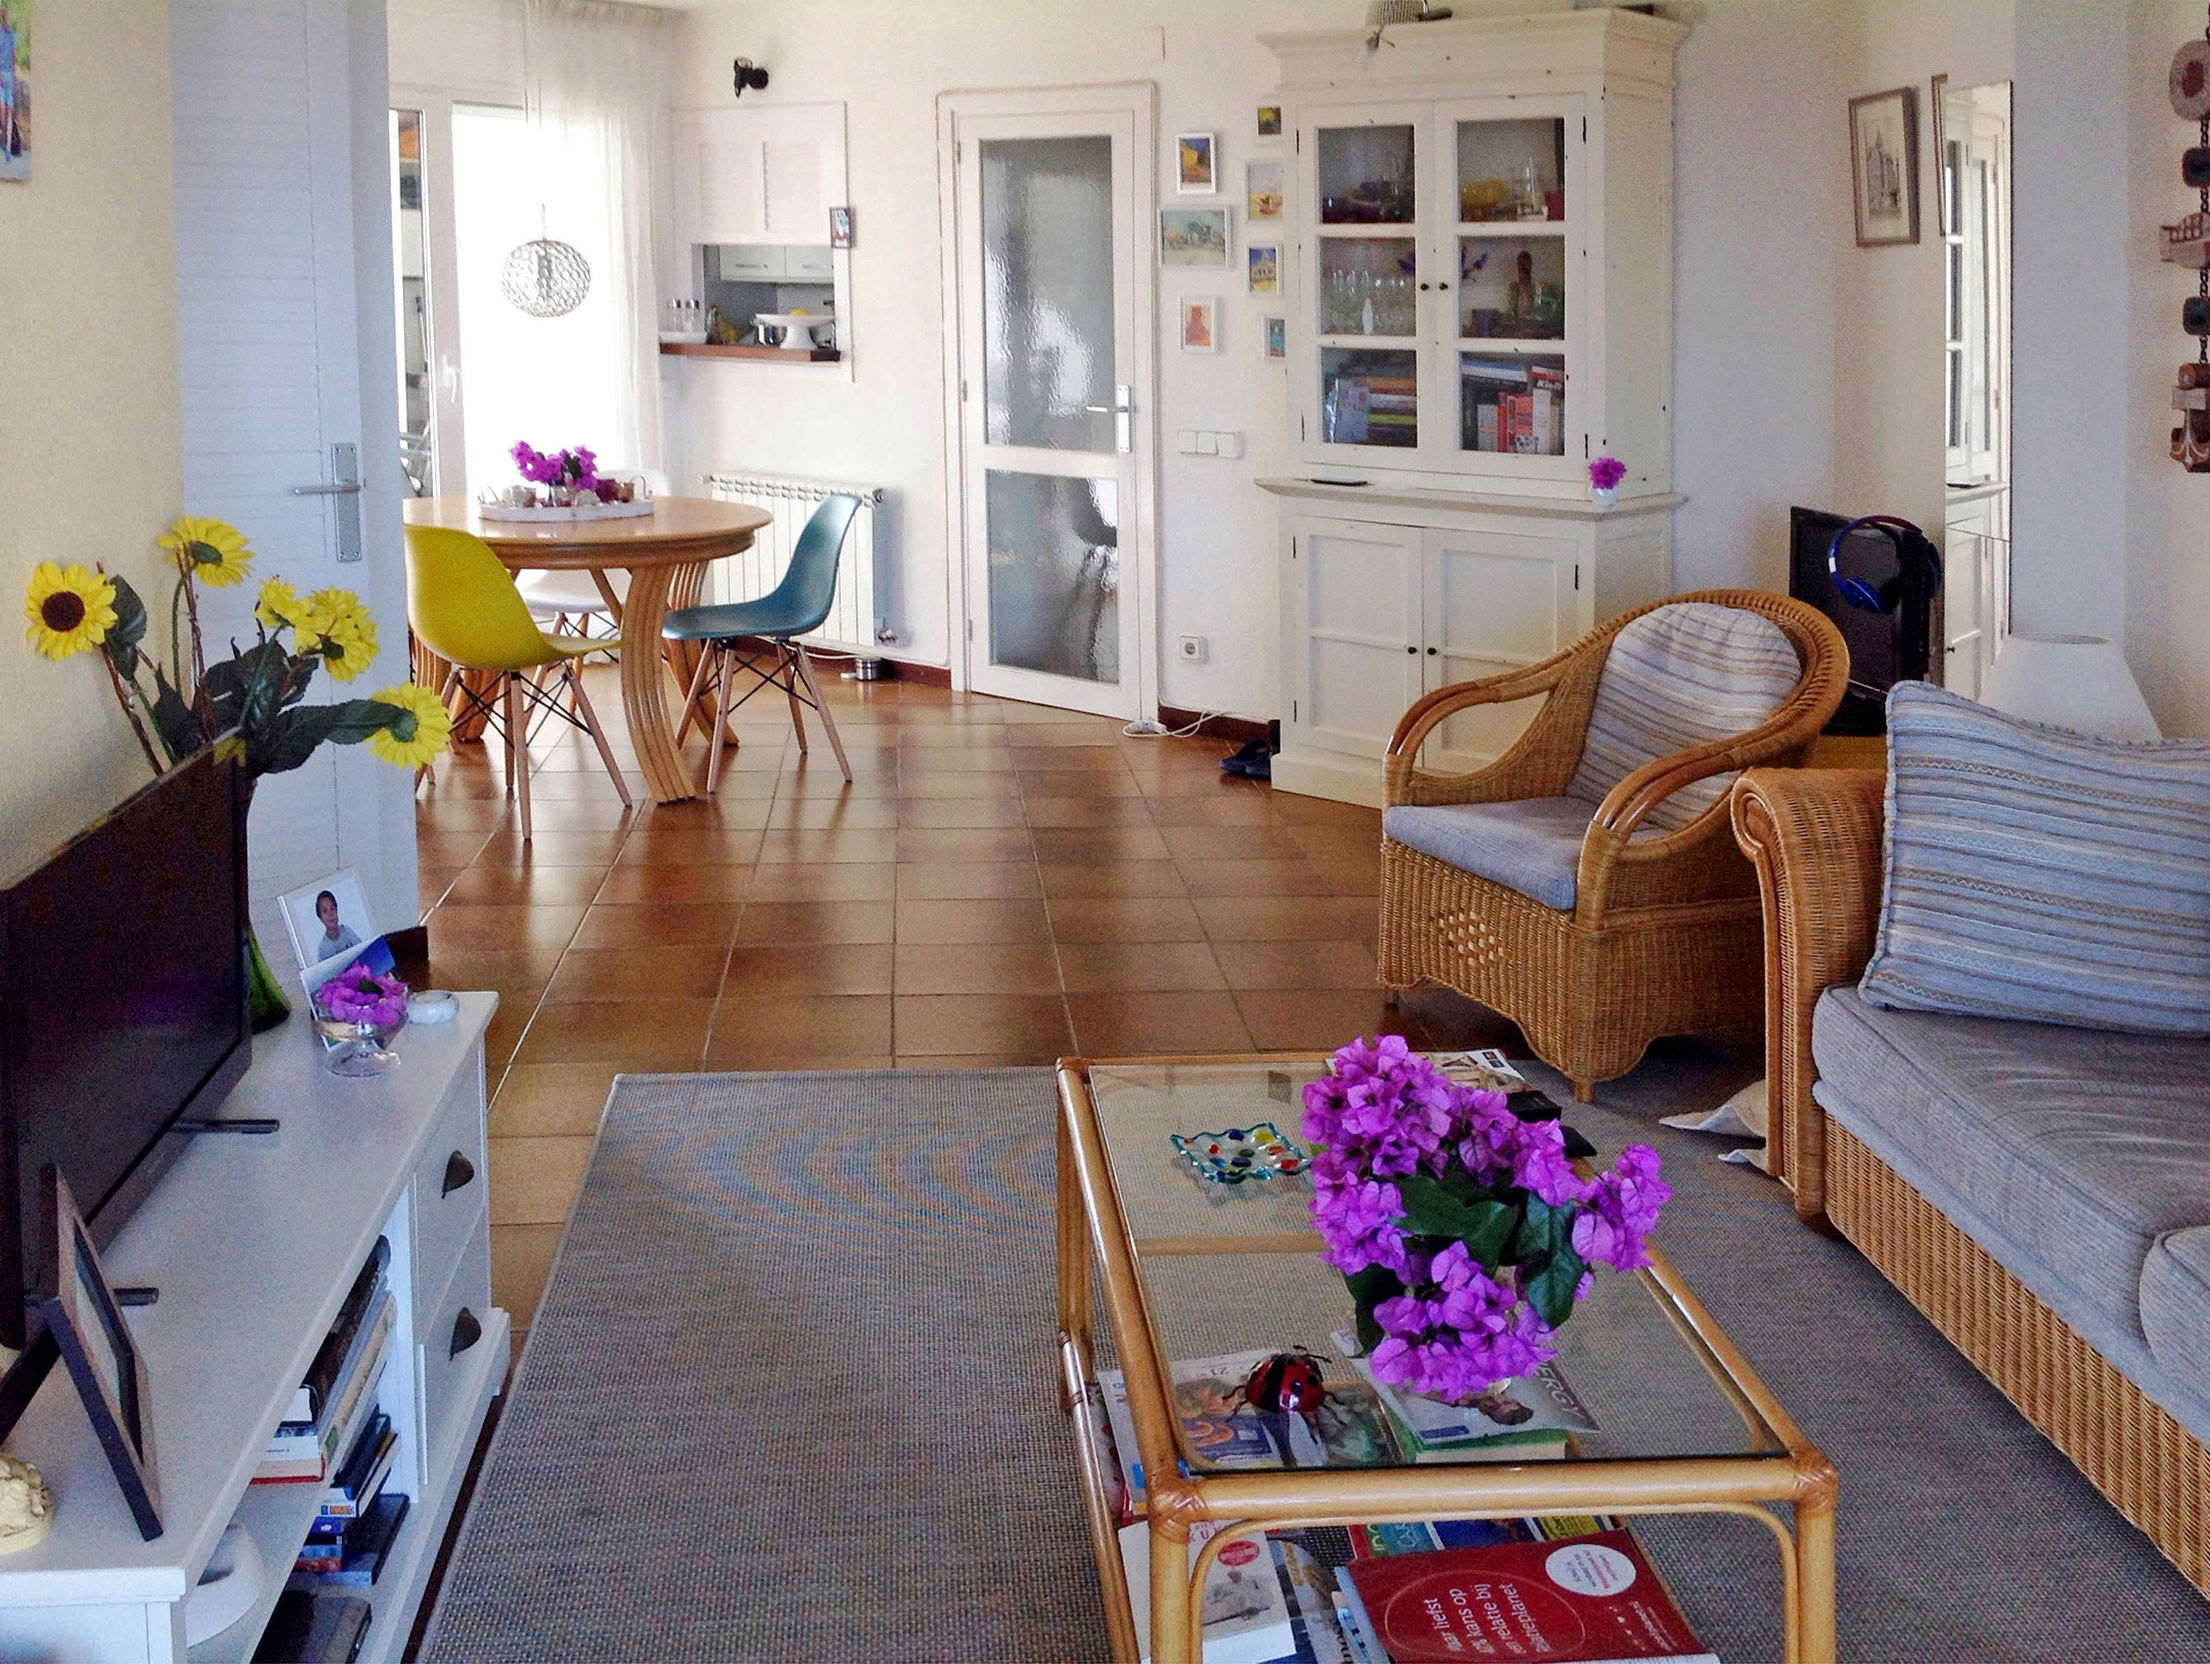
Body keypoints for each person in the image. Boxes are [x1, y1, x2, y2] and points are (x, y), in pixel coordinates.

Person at [313, 890, 362, 962]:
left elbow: (362, 951)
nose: (330, 914)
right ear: (320, 917)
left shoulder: (347, 932)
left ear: (336, 910)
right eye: (325, 911)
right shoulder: (323, 949)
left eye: (332, 909)